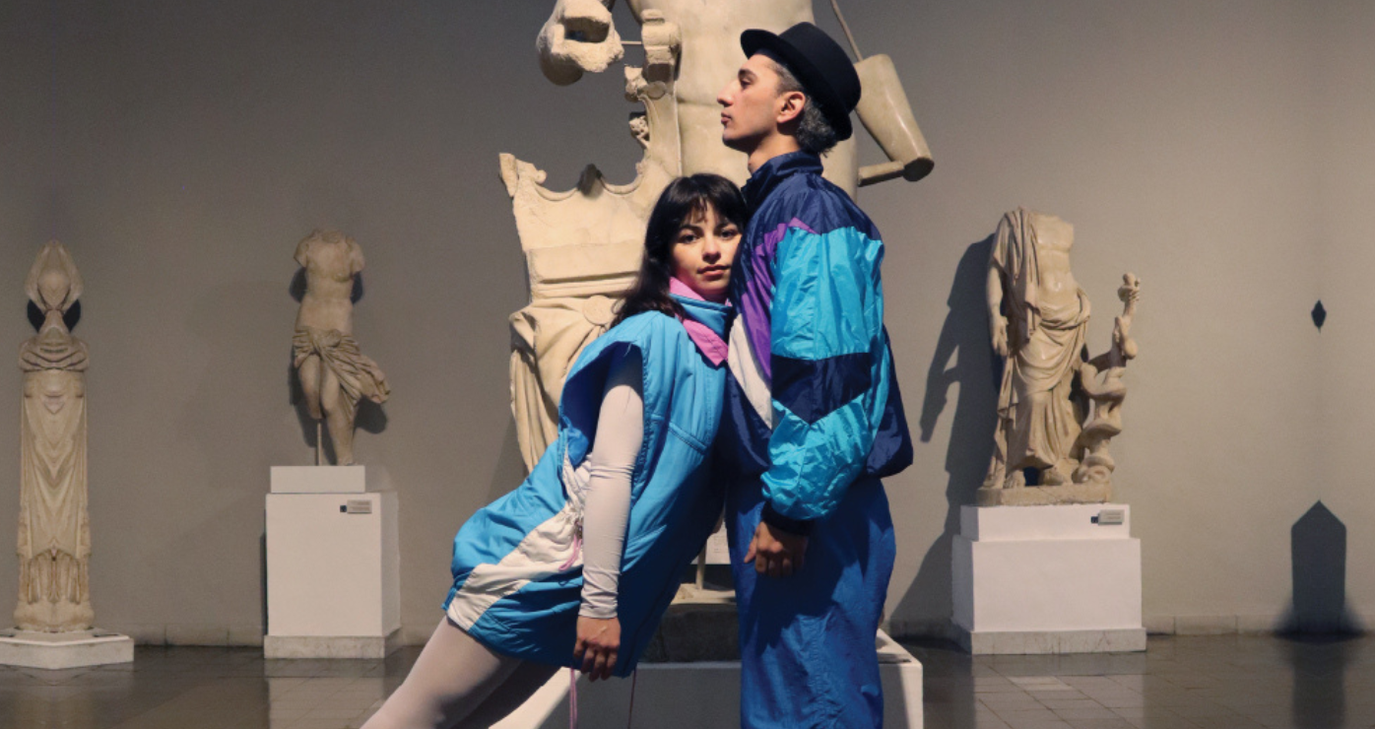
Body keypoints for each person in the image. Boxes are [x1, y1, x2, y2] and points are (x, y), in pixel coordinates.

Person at [361, 174, 744, 729]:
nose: (711, 249)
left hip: (584, 582)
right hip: (548, 565)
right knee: (416, 717)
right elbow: (611, 473)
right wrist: (600, 604)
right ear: (665, 253)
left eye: (726, 232)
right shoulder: (655, 334)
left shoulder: (720, 350)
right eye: (690, 236)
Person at [714, 22, 913, 729]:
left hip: (809, 503)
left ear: (790, 106)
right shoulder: (776, 209)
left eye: (744, 81)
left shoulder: (808, 211)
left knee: (812, 705)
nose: (724, 94)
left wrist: (791, 511)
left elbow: (828, 376)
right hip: (797, 492)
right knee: (794, 700)